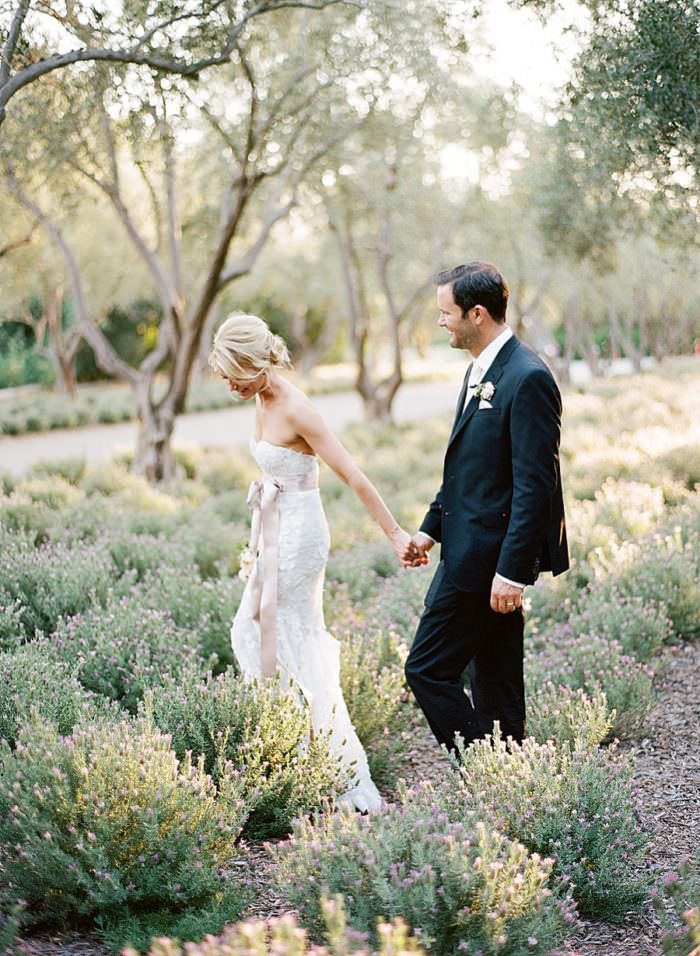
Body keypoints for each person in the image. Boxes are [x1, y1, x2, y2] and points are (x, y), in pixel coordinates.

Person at [208, 313, 416, 812]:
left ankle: (327, 765)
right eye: (223, 372)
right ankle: (295, 751)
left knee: (271, 632)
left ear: (259, 362)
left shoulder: (298, 409)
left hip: (300, 535)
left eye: (234, 370)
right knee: (262, 634)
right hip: (275, 528)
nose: (227, 382)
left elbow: (353, 475)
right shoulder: (260, 397)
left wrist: (395, 534)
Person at [403, 261, 569, 755]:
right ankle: (510, 783)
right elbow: (467, 474)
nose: (440, 322)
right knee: (495, 679)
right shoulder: (480, 370)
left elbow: (534, 486)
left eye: (445, 313)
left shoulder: (528, 377)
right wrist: (429, 531)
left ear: (477, 313)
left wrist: (512, 572)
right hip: (465, 548)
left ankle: (481, 772)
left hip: (487, 563)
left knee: (427, 669)